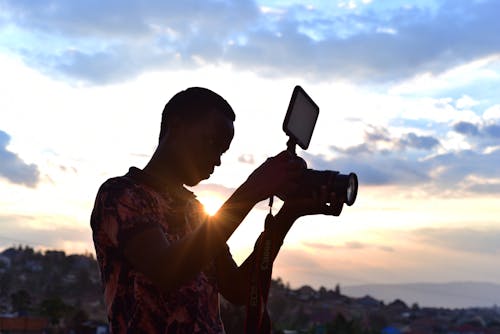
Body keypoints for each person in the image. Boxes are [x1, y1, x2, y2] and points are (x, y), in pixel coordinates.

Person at [90, 87, 344, 333]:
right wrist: (250, 192)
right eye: (212, 143)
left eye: (223, 151)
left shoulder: (195, 209)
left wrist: (287, 216)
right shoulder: (121, 195)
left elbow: (239, 289)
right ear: (176, 126)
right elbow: (167, 271)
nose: (217, 160)